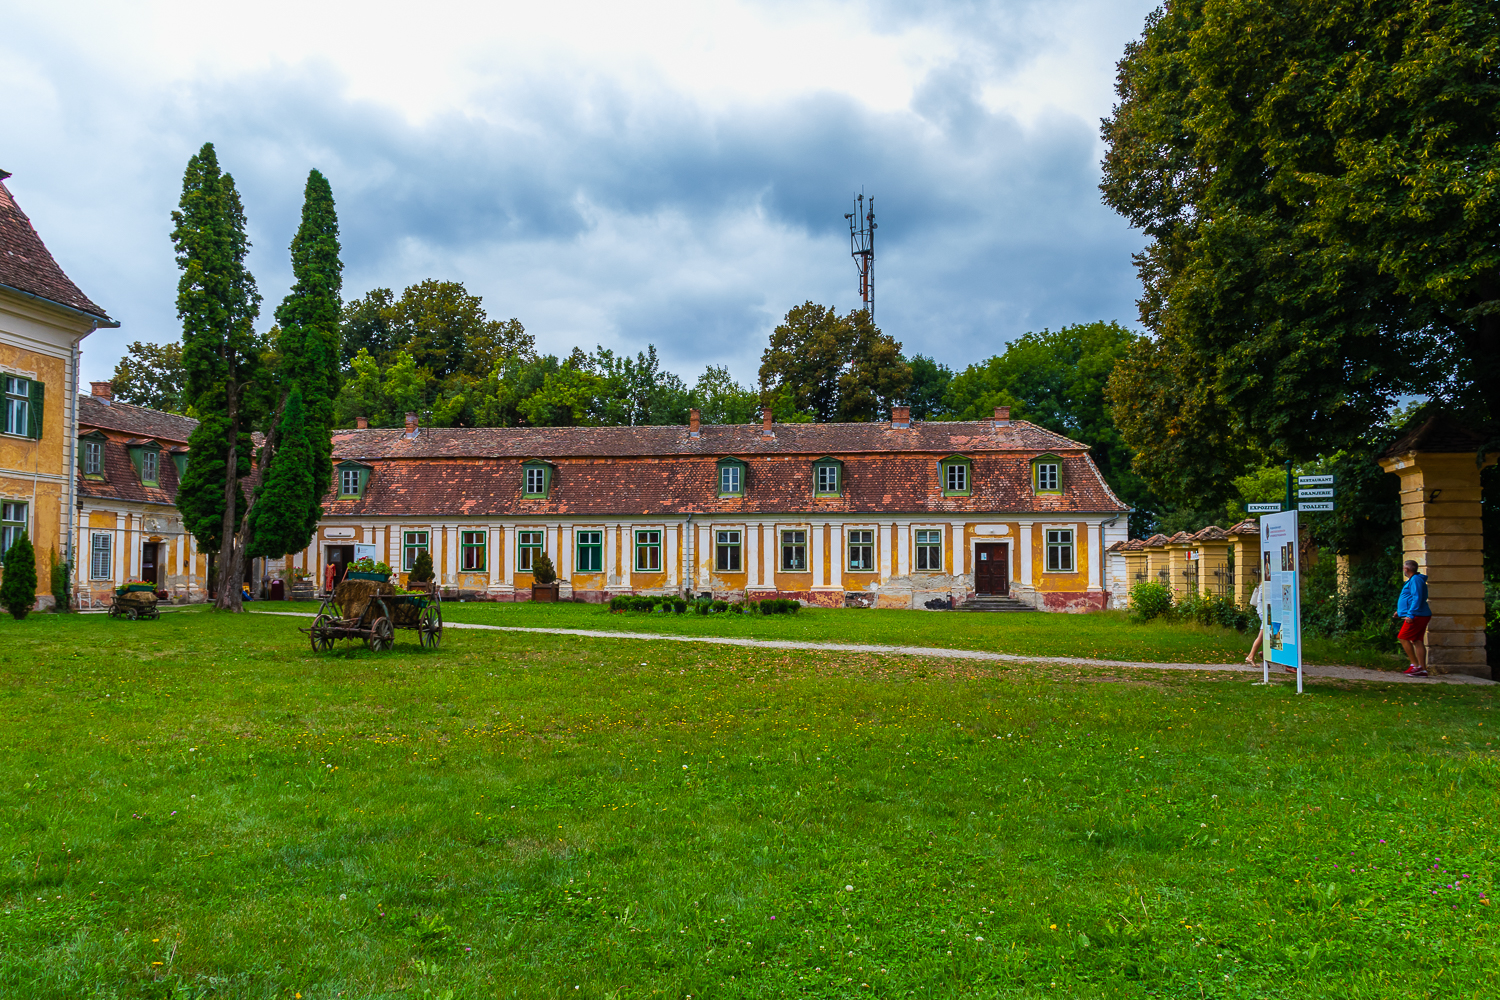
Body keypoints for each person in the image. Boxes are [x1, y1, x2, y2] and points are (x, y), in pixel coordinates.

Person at [1394, 558, 1431, 677]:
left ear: (1406, 569)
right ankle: (1422, 670)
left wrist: (1410, 614)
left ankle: (1415, 665)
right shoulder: (1414, 580)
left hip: (1417, 615)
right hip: (1419, 614)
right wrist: (1400, 611)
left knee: (1402, 637)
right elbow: (1410, 598)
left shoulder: (1415, 580)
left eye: (1404, 568)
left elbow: (1417, 598)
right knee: (1417, 640)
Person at [1244, 581, 1264, 664]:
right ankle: (1251, 656)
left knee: (1264, 635)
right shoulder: (1265, 585)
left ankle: (1252, 656)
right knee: (1263, 635)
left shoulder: (1262, 585)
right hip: (1265, 613)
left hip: (1263, 612)